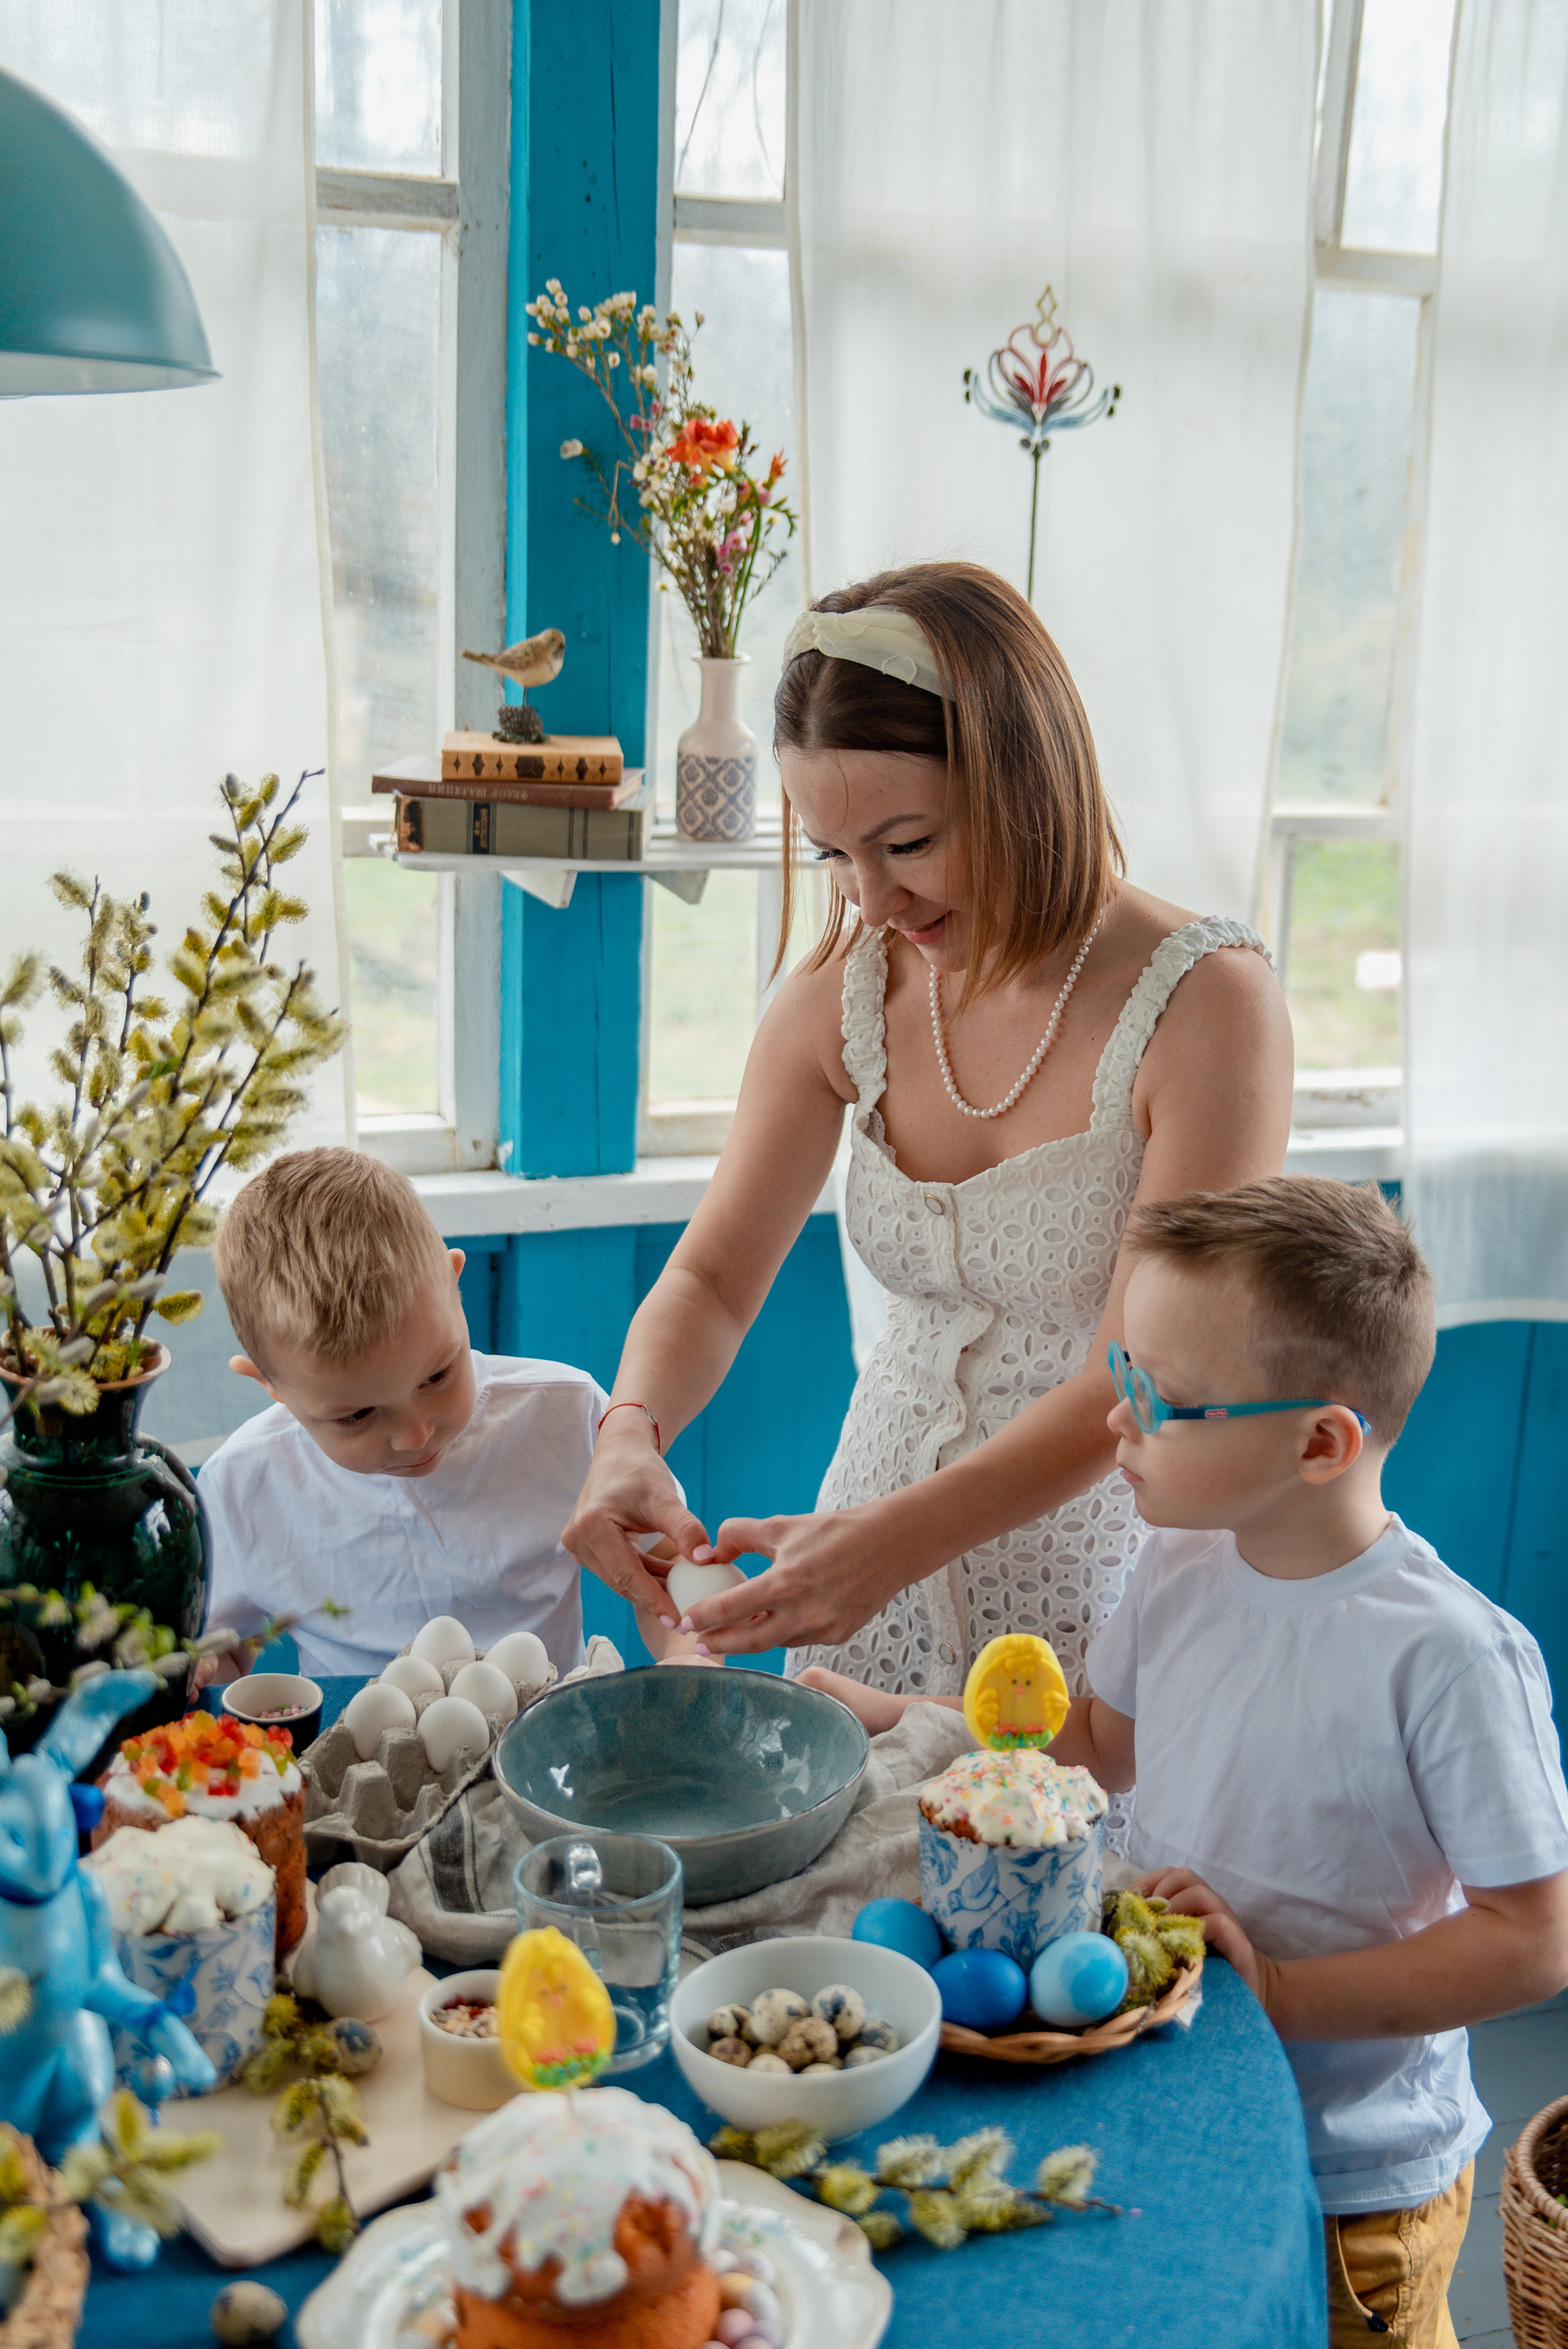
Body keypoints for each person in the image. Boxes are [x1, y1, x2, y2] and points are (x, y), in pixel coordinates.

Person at [565, 561, 1294, 1710]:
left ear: (1021, 780)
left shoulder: (1209, 1005)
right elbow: (709, 1279)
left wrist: (894, 1543)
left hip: (1106, 1580)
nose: (870, 900)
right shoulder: (839, 999)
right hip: (862, 1555)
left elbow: (1143, 1371)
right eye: (831, 855)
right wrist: (628, 1430)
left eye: (906, 842)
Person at [1012, 1176, 1567, 2349]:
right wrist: (911, 1722)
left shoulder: (1452, 1658)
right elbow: (1103, 1750)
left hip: (1354, 2176)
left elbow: (1532, 1943)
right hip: (1180, 2096)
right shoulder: (1178, 1566)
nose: (1118, 1417)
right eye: (1123, 1372)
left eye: (1161, 1397)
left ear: (1320, 1442)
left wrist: (1281, 1995)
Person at [196, 1149, 702, 1681]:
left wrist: (690, 1653)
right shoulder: (242, 1484)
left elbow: (668, 1566)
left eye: (437, 1377)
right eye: (357, 1416)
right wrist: (202, 1669)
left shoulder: (567, 1414)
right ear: (270, 1384)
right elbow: (221, 1648)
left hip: (544, 1748)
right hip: (351, 1757)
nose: (415, 1434)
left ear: (455, 1284)